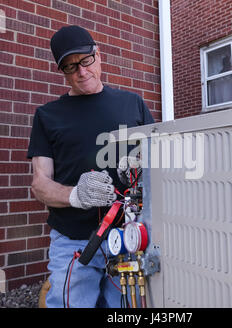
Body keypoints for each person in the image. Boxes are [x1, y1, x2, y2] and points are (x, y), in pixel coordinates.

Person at [27, 25, 155, 308]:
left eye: (86, 61)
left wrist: (142, 166)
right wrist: (75, 195)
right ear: (61, 71)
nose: (81, 72)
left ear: (99, 55)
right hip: (74, 240)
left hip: (129, 237)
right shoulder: (47, 116)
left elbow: (157, 161)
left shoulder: (132, 104)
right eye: (70, 67)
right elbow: (40, 183)